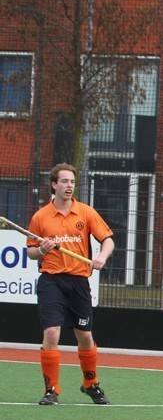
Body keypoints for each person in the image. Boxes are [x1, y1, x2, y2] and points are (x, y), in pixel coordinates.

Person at [27, 163, 115, 406]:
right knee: (51, 332)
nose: (69, 186)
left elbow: (108, 240)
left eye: (72, 182)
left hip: (78, 281)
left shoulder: (86, 212)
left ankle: (90, 383)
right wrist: (41, 250)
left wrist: (101, 257)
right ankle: (51, 390)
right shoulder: (40, 216)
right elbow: (31, 252)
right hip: (51, 280)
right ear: (53, 185)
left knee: (85, 335)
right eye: (64, 181)